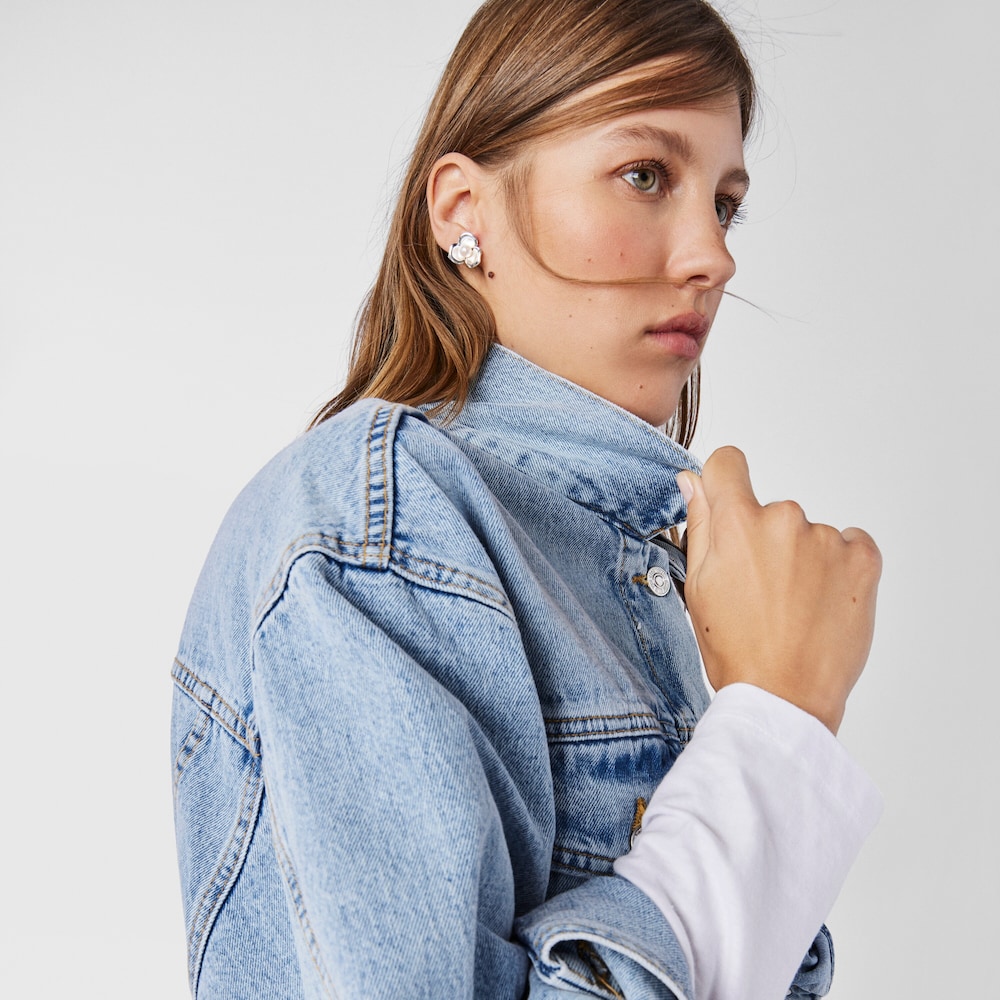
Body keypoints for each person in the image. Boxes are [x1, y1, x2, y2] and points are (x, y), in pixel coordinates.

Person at [170, 1, 882, 997]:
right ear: (463, 211)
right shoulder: (381, 526)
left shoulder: (617, 560)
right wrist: (774, 727)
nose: (713, 256)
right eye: (645, 175)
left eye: (724, 202)